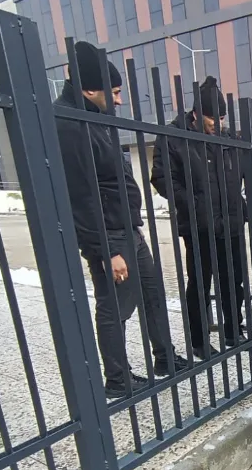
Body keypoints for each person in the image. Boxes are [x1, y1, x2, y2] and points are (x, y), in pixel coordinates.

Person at [54, 41, 185, 399]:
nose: (120, 100)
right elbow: (81, 196)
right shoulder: (69, 125)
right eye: (114, 92)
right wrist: (106, 250)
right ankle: (117, 378)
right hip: (109, 235)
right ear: (88, 90)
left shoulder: (95, 119)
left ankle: (165, 357)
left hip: (128, 229)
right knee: (115, 307)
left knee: (153, 294)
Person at [151, 77, 252, 357]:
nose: (218, 123)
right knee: (200, 285)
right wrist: (194, 204)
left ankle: (233, 330)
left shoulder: (229, 140)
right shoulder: (174, 138)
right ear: (196, 114)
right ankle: (199, 341)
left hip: (231, 223)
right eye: (211, 118)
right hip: (199, 227)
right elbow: (162, 178)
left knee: (234, 281)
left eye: (222, 118)